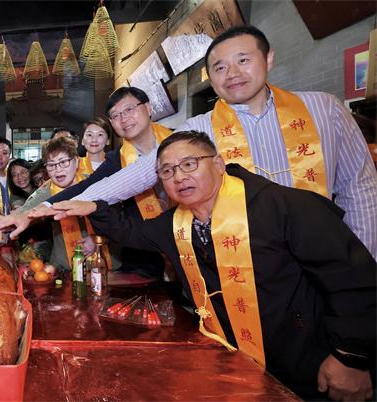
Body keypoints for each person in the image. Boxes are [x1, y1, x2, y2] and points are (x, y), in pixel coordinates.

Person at [54, 131, 375, 401]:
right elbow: (131, 233)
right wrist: (94, 206)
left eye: (189, 164)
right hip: (240, 366)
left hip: (313, 365)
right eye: (167, 171)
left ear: (219, 164)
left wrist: (351, 357)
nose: (179, 177)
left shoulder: (285, 206)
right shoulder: (176, 223)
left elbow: (353, 280)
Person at [37, 25, 377, 258]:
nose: (233, 74)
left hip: (326, 255)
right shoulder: (200, 128)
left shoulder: (323, 109)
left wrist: (361, 264)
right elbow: (137, 175)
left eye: (243, 60)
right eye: (219, 68)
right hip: (242, 260)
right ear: (210, 77)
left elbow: (360, 189)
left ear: (268, 59)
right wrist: (47, 209)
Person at [0, 87, 172, 249]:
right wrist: (25, 214)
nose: (124, 119)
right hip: (144, 249)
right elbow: (86, 188)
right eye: (115, 115)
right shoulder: (116, 161)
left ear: (148, 108)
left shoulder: (180, 142)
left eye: (129, 109)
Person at [0, 137, 118, 272]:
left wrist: (98, 239)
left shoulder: (94, 183)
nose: (58, 170)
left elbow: (118, 219)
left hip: (106, 265)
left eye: (63, 162)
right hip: (64, 268)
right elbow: (24, 211)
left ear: (76, 161)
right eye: (51, 165)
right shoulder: (45, 191)